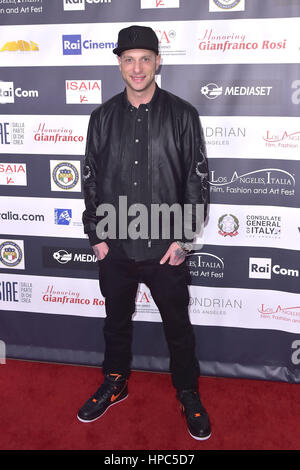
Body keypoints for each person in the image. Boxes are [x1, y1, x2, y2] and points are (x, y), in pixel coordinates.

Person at [78, 25, 211, 441]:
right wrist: (96, 236)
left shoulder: (183, 115)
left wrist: (184, 240)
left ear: (157, 62)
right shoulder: (101, 117)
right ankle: (115, 382)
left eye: (145, 59)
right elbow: (90, 178)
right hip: (114, 245)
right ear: (119, 64)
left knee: (178, 326)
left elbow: (198, 181)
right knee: (116, 323)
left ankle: (187, 391)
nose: (137, 68)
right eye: (129, 59)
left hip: (165, 248)